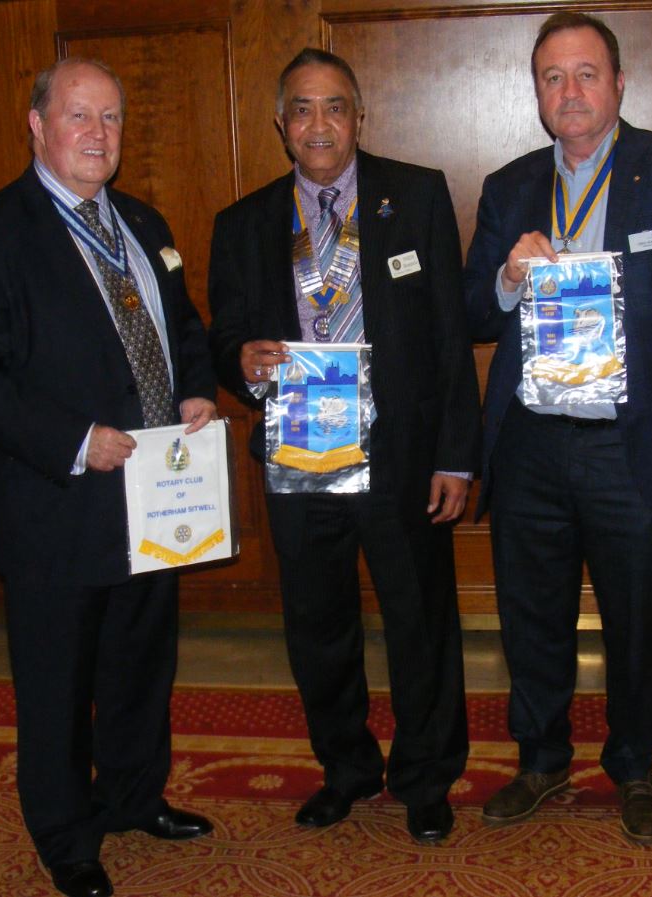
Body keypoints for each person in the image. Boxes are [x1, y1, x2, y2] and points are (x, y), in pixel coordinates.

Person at [464, 12, 652, 843]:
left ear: (620, 83)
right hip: (529, 445)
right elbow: (472, 313)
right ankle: (542, 757)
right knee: (531, 615)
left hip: (632, 446)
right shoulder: (510, 186)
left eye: (586, 73)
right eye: (553, 77)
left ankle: (634, 765)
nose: (571, 92)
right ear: (537, 92)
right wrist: (510, 278)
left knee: (635, 618)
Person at [0, 58, 218, 897]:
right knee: (57, 684)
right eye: (79, 117)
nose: (98, 135)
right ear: (36, 124)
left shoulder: (142, 220)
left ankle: (134, 798)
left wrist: (197, 384)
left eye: (112, 119)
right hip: (56, 504)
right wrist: (72, 438)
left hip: (158, 500)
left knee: (140, 663)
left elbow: (184, 325)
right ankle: (66, 836)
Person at [208, 48, 481, 844]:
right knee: (317, 625)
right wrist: (241, 361)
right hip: (300, 453)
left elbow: (448, 336)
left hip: (402, 457)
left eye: (334, 106)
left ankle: (426, 776)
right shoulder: (245, 222)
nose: (318, 124)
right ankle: (348, 767)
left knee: (419, 621)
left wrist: (455, 456)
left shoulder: (417, 194)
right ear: (281, 125)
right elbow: (226, 333)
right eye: (301, 108)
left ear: (360, 117)